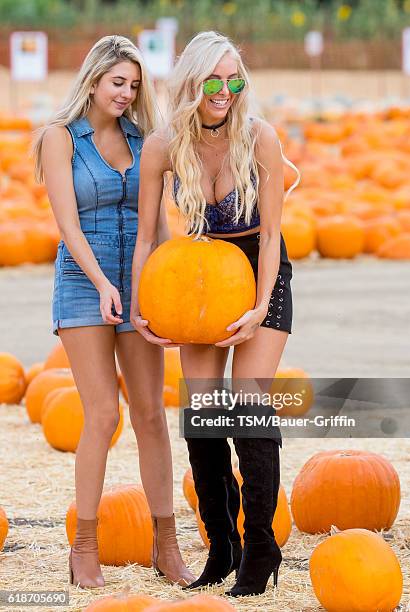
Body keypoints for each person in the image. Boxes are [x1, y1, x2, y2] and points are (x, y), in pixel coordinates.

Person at [131, 31, 299, 597]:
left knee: (249, 404)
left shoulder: (260, 137)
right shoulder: (162, 145)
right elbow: (148, 236)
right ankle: (221, 544)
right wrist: (141, 302)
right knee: (202, 413)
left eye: (235, 79)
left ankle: (260, 549)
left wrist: (258, 309)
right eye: (214, 80)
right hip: (198, 274)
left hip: (256, 269)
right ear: (192, 83)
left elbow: (273, 234)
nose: (225, 90)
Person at [34, 35, 195, 589]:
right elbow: (68, 227)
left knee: (151, 414)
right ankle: (84, 547)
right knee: (103, 415)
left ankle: (166, 545)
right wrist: (104, 284)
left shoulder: (146, 141)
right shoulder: (61, 139)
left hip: (139, 283)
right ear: (94, 80)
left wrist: (165, 292)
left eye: (134, 84)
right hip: (84, 282)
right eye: (117, 82)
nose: (126, 93)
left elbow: (160, 224)